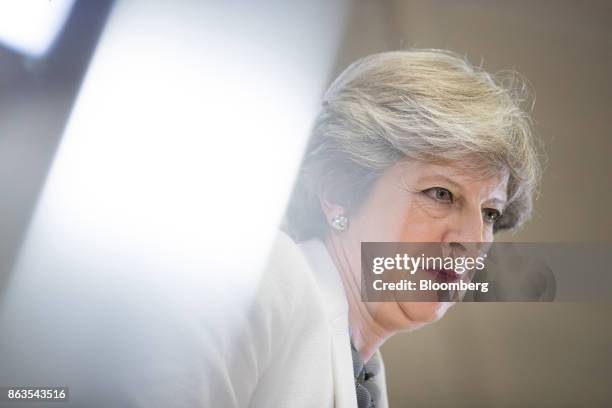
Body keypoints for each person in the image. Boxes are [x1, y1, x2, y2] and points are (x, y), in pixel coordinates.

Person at [208, 49, 541, 407]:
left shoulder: (360, 376)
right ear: (337, 190)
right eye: (441, 194)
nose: (473, 241)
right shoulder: (259, 275)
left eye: (490, 213)